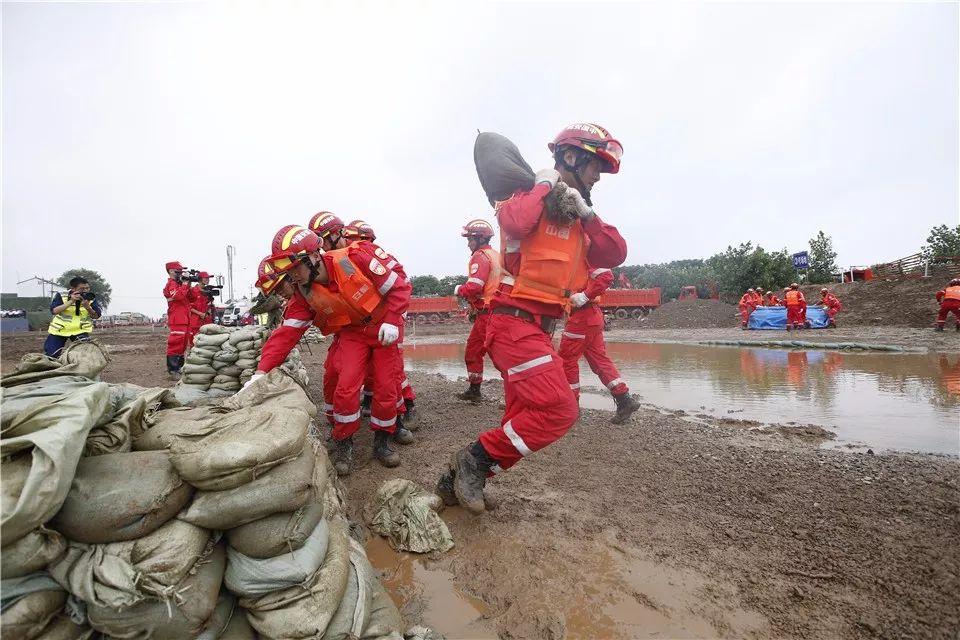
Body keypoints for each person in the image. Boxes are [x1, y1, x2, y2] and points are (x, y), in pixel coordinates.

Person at [440, 123, 627, 515]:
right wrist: (545, 185)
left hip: (540, 329)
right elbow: (515, 224)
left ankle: (452, 484)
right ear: (571, 157)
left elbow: (614, 253)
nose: (598, 176)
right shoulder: (525, 198)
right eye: (596, 166)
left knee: (520, 418)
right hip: (512, 323)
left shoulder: (578, 219)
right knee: (560, 410)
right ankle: (473, 461)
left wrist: (588, 213)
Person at [257, 225, 413, 475]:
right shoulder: (303, 295)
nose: (293, 276)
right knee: (345, 387)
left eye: (295, 268)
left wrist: (393, 319)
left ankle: (382, 441)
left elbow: (399, 287)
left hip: (383, 327)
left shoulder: (356, 258)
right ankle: (344, 442)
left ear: (314, 256)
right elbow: (286, 334)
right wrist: (261, 371)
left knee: (386, 386)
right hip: (352, 333)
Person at [341, 220, 419, 426]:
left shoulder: (363, 254)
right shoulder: (367, 255)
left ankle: (405, 408)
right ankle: (376, 403)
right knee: (379, 369)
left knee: (392, 371)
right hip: (383, 319)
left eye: (349, 239)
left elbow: (399, 286)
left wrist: (392, 319)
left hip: (388, 319)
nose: (347, 243)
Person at [558, 264, 641, 422]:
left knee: (566, 361)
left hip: (581, 319)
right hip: (592, 317)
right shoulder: (578, 259)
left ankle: (571, 408)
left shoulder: (582, 258)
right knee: (600, 361)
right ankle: (624, 400)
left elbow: (606, 275)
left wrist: (584, 296)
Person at [454, 218, 501, 402]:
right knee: (499, 353)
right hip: (497, 311)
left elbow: (474, 287)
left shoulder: (480, 256)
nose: (468, 243)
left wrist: (459, 290)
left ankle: (475, 391)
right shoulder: (497, 255)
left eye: (470, 239)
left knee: (475, 351)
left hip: (487, 313)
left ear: (480, 239)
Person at [44, 276, 102, 357]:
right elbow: (54, 311)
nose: (85, 291)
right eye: (82, 289)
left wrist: (88, 307)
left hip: (80, 330)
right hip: (60, 330)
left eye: (87, 288)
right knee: (52, 355)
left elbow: (96, 316)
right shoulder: (62, 295)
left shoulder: (90, 298)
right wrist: (71, 301)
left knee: (86, 355)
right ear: (73, 289)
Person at [163, 261, 196, 378]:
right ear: (171, 271)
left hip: (185, 318)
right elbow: (178, 296)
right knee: (175, 343)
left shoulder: (181, 284)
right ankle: (172, 370)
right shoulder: (171, 284)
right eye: (179, 271)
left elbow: (192, 298)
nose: (181, 273)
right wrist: (184, 283)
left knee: (182, 345)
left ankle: (179, 368)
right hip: (177, 318)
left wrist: (189, 284)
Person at [187, 271, 215, 346]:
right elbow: (188, 306)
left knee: (208, 344)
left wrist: (208, 313)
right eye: (205, 278)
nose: (208, 279)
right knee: (194, 343)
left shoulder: (208, 292)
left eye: (208, 278)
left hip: (207, 321)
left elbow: (210, 306)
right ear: (199, 279)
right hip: (196, 322)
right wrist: (200, 314)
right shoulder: (192, 291)